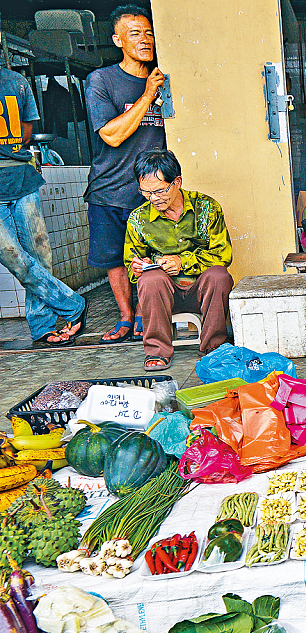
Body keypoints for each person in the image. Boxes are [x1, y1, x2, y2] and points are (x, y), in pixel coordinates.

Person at [84, 4, 166, 344]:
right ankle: (125, 317)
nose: (144, 39)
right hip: (109, 188)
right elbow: (112, 135)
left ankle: (149, 317)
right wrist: (148, 95)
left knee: (149, 258)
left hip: (152, 190)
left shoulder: (166, 77)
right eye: (135, 33)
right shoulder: (101, 80)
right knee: (114, 259)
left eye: (149, 33)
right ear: (118, 40)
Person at [0, 65, 87, 346]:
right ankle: (72, 304)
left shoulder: (17, 82)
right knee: (15, 258)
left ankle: (42, 326)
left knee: (40, 257)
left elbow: (26, 134)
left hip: (22, 177)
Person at [125, 150, 233, 371]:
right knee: (149, 279)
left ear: (177, 182)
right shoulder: (138, 219)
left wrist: (182, 262)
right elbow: (130, 263)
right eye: (146, 193)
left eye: (159, 191)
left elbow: (223, 254)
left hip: (201, 291)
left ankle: (214, 347)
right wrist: (137, 267)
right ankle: (157, 352)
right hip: (163, 295)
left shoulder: (206, 208)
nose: (153, 198)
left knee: (219, 275)